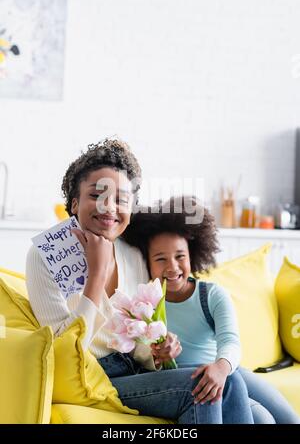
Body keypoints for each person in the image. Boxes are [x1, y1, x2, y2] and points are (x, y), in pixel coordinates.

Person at [26, 139, 253, 424]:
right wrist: (95, 276)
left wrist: (158, 351)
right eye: (97, 195)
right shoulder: (45, 255)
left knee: (231, 384)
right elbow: (64, 353)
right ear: (74, 203)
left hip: (135, 372)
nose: (109, 208)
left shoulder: (132, 254)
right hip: (91, 378)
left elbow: (138, 340)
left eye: (121, 199)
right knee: (203, 388)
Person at [122, 196, 300, 424]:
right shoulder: (145, 303)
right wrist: (157, 355)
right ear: (146, 262)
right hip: (186, 380)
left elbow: (231, 341)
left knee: (288, 418)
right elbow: (139, 354)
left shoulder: (212, 295)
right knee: (263, 419)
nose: (172, 267)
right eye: (160, 259)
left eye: (180, 257)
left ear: (192, 255)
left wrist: (221, 367)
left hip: (225, 371)